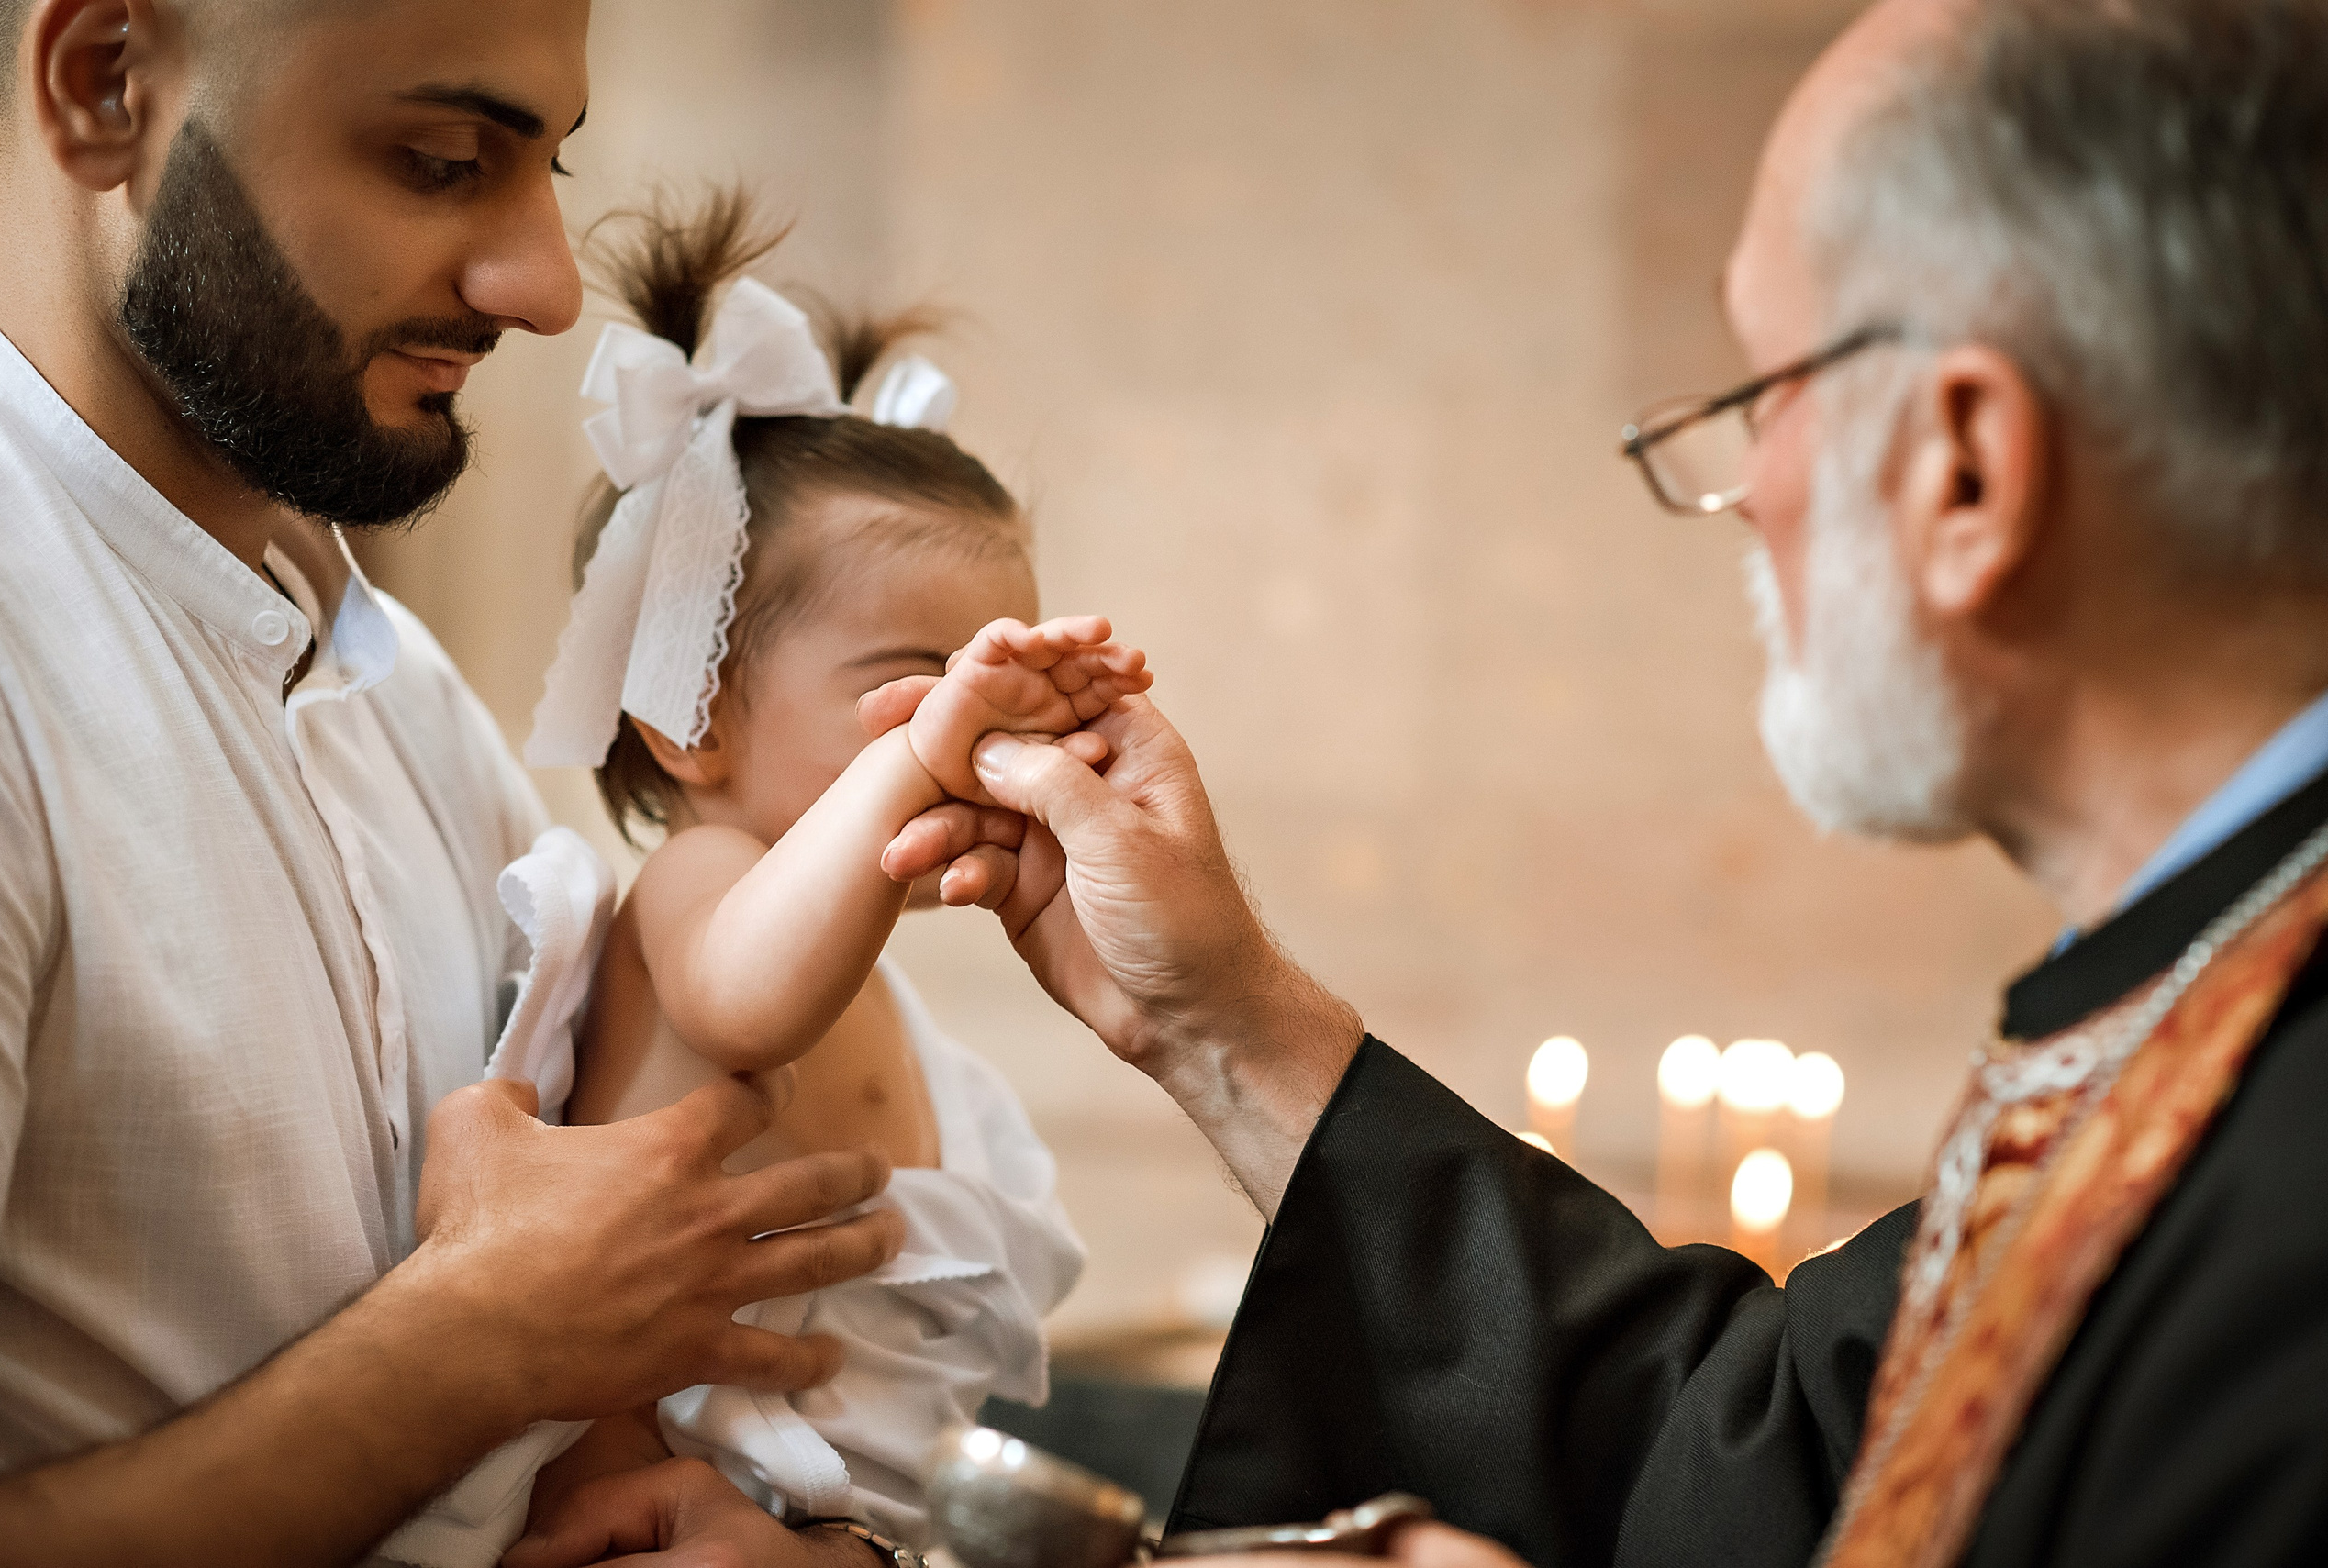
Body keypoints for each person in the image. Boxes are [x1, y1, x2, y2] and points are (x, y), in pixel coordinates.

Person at [771, 0, 2319, 1565]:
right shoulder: (2200, 984)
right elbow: (1753, 1454)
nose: (1742, 494)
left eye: (1767, 391)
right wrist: (1219, 1018)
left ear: (1967, 467)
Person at [0, 4, 909, 1564]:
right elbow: (519, 1315)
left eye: (551, 169)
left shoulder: (399, 687)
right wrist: (477, 1346)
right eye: (442, 160)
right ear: (104, 82)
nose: (546, 287)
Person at [412, 195, 1137, 1559]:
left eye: (995, 685)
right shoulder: (699, 883)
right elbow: (751, 1003)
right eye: (918, 688)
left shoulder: (868, 972)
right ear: (692, 723)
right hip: (661, 1518)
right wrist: (916, 761)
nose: (971, 736)